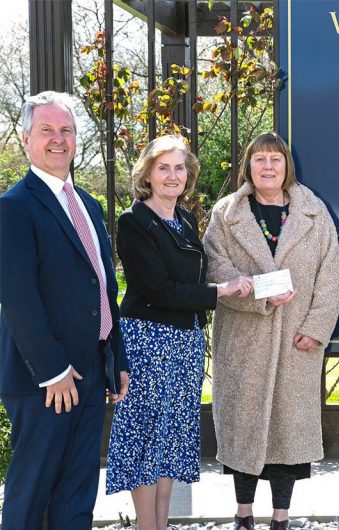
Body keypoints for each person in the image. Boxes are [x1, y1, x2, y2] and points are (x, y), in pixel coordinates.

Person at [105, 136, 253, 530]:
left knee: (170, 441)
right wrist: (220, 292)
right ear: (148, 175)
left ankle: (161, 524)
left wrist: (234, 281)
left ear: (189, 175)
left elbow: (196, 275)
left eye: (180, 167)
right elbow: (158, 288)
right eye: (164, 168)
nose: (173, 176)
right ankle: (146, 526)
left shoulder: (185, 219)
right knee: (146, 439)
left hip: (184, 343)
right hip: (148, 342)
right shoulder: (133, 221)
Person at [0, 91, 129, 529]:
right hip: (47, 380)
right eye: (47, 130)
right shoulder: (13, 208)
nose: (59, 139)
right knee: (31, 495)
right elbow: (18, 298)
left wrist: (117, 358)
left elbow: (104, 287)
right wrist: (52, 370)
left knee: (77, 496)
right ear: (25, 138)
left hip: (91, 372)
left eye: (67, 130)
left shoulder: (88, 206)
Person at [203, 132, 339, 530]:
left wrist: (316, 328)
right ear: (248, 166)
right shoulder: (226, 215)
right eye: (260, 159)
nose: (268, 167)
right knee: (245, 431)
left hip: (297, 340)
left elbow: (331, 276)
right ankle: (243, 515)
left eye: (275, 160)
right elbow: (217, 269)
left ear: (287, 166)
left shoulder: (314, 213)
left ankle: (281, 518)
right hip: (244, 339)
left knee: (287, 433)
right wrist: (262, 294)